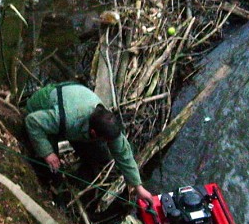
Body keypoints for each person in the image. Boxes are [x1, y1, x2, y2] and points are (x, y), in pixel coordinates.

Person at [24, 82, 155, 206]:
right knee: (53, 168)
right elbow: (32, 121)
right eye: (105, 140)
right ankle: (55, 191)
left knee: (99, 156)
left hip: (74, 116)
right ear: (93, 133)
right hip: (43, 110)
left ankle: (81, 181)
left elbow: (123, 153)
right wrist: (48, 153)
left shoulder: (107, 124)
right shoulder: (66, 119)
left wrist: (138, 186)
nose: (109, 143)